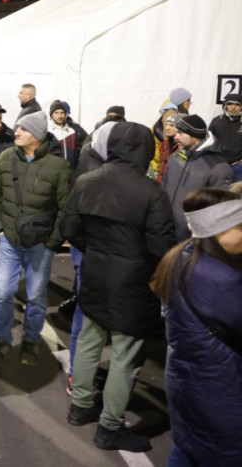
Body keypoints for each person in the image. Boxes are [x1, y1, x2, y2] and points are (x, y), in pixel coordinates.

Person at [61, 121, 176, 453]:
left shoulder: (86, 180)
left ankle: (80, 406)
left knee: (89, 340)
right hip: (134, 282)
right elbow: (161, 246)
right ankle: (110, 427)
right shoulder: (151, 192)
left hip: (95, 272)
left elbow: (69, 229)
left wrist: (97, 250)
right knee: (126, 355)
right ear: (144, 150)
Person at [151, 187, 242, 466]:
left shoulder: (182, 256)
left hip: (185, 379)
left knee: (187, 447)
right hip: (220, 389)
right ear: (218, 231)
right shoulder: (224, 280)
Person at [0, 110, 71, 367]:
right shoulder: (6, 158)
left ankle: (31, 341)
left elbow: (66, 207)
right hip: (9, 240)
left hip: (40, 244)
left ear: (38, 134)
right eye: (17, 128)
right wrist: (1, 228)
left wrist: (53, 242)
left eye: (23, 129)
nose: (17, 132)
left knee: (36, 296)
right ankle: (1, 340)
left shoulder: (59, 167)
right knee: (2, 293)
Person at [162, 114, 233, 241]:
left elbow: (219, 208)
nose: (176, 136)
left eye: (180, 133)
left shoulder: (218, 167)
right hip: (166, 231)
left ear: (194, 135)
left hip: (192, 238)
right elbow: (163, 187)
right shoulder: (175, 158)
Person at [210, 92, 242, 181]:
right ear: (225, 106)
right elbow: (208, 141)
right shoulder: (216, 121)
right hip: (218, 162)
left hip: (237, 163)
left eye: (237, 105)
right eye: (230, 104)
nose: (233, 107)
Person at [48, 100, 88, 168]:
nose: (59, 116)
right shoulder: (47, 131)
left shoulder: (72, 131)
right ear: (51, 114)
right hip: (53, 169)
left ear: (65, 114)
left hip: (71, 169)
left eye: (62, 113)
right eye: (56, 113)